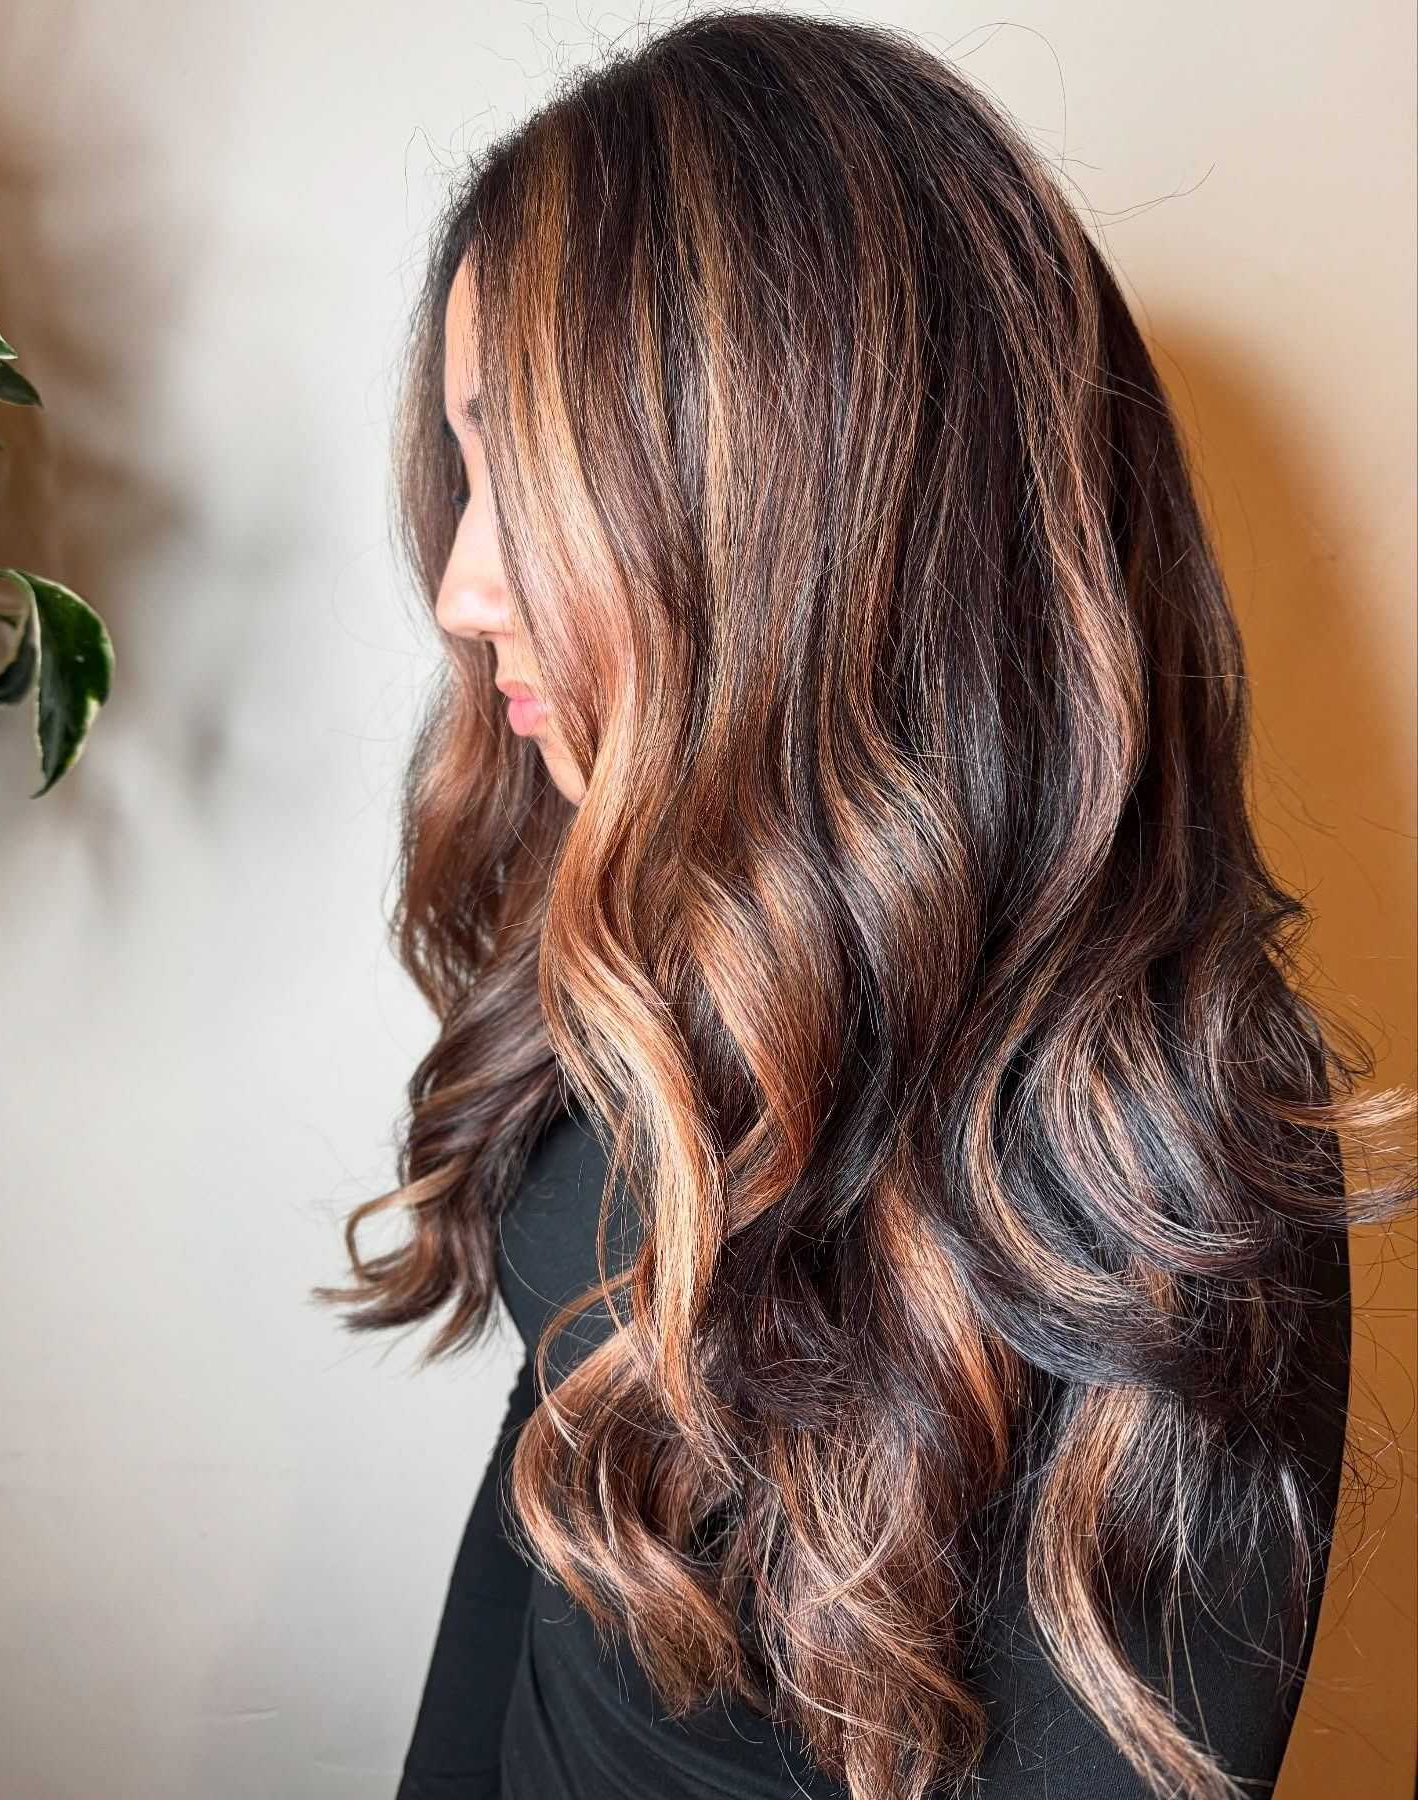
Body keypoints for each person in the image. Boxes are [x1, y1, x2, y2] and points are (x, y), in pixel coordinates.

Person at [312, 11, 1415, 1799]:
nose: (458, 585)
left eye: (530, 460)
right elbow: (555, 1479)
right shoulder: (630, 913)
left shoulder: (1157, 1154)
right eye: (465, 461)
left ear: (801, 493)